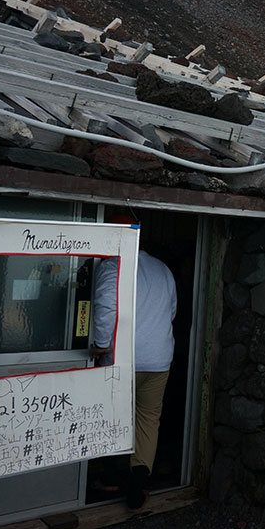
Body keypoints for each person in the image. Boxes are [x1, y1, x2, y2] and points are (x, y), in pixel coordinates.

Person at [92, 214, 177, 510]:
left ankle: (112, 476)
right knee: (147, 420)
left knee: (112, 418)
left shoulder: (113, 266)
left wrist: (101, 345)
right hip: (158, 360)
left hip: (122, 360)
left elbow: (104, 308)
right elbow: (172, 310)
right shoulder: (162, 269)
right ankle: (139, 483)